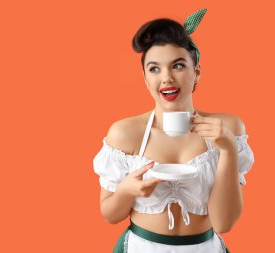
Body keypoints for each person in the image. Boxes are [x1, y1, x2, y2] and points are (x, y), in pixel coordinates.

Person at [93, 8, 254, 253]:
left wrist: (229, 149)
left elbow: (224, 223)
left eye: (178, 66)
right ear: (145, 78)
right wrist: (127, 189)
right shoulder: (125, 133)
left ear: (196, 72)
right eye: (154, 69)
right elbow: (110, 215)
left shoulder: (228, 128)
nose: (166, 78)